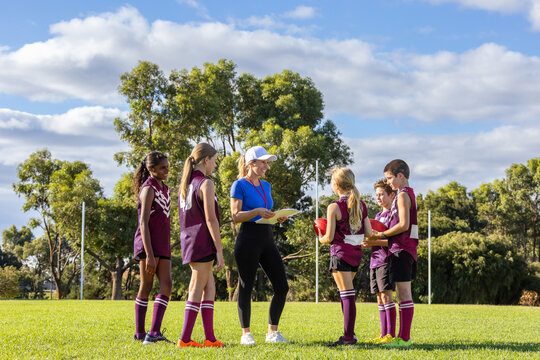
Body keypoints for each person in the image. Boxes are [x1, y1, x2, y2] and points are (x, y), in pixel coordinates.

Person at [230, 146, 290, 345]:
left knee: (282, 286)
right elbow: (235, 216)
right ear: (251, 164)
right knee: (246, 286)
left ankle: (272, 333)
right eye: (263, 162)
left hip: (267, 238)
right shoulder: (238, 185)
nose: (267, 166)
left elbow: (267, 211)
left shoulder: (267, 186)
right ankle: (246, 334)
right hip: (248, 239)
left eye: (267, 162)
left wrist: (277, 217)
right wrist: (256, 210)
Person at [318, 167, 372, 346]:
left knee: (347, 295)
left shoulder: (334, 207)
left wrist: (320, 235)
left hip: (340, 254)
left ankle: (349, 337)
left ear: (336, 185)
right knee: (346, 294)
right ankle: (350, 334)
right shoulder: (361, 205)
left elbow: (329, 238)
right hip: (355, 255)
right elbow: (369, 232)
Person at [370, 159, 418, 348]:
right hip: (402, 249)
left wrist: (381, 234)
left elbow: (403, 224)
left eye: (389, 178)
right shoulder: (406, 194)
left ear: (400, 176)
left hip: (401, 249)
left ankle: (404, 339)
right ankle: (400, 337)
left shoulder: (402, 195)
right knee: (402, 293)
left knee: (404, 294)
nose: (388, 182)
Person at [132, 151, 173, 345]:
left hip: (163, 243)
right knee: (146, 286)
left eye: (167, 166)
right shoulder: (148, 189)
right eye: (162, 168)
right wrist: (148, 254)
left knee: (167, 285)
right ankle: (140, 334)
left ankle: (154, 332)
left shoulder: (164, 188)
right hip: (148, 245)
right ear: (151, 169)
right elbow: (143, 222)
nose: (167, 170)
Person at [362, 179, 397, 344]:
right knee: (379, 297)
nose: (379, 198)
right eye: (377, 195)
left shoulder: (393, 215)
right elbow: (373, 239)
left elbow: (392, 241)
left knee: (387, 296)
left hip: (387, 260)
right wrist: (367, 243)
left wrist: (373, 242)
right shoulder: (377, 216)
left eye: (382, 194)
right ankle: (383, 334)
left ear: (392, 194)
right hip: (374, 261)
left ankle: (391, 335)